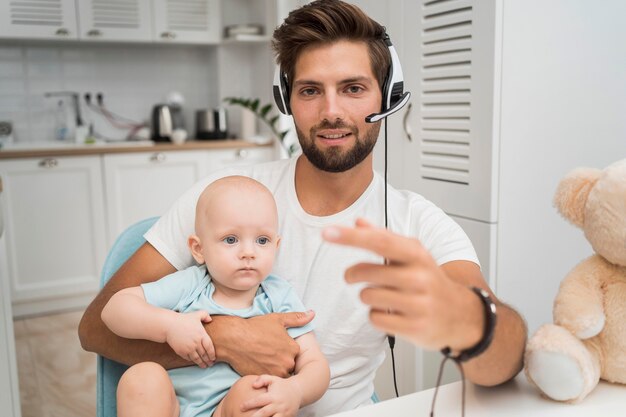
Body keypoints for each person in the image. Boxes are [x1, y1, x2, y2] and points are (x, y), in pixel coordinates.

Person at [79, 1, 527, 416]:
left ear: (387, 97)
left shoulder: (417, 223)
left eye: (353, 88)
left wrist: (468, 319)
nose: (331, 112)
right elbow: (96, 328)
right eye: (311, 91)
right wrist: (225, 338)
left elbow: (504, 363)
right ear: (287, 100)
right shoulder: (224, 199)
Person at [101, 176, 330, 417]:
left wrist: (295, 390)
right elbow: (114, 309)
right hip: (170, 408)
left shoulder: (279, 296)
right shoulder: (191, 284)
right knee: (141, 377)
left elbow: (315, 364)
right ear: (199, 249)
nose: (248, 252)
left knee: (257, 394)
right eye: (231, 240)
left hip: (230, 411)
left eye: (262, 240)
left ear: (276, 245)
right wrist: (169, 325)